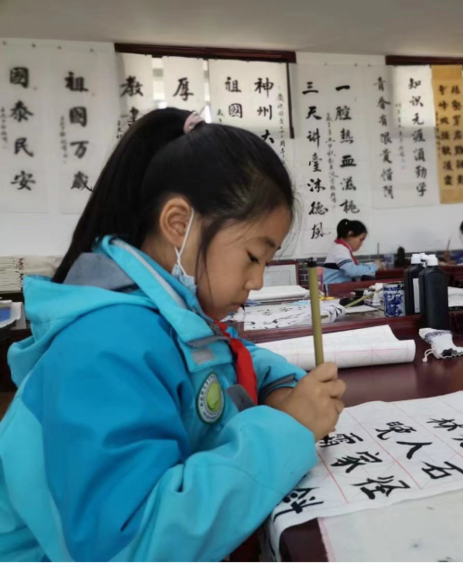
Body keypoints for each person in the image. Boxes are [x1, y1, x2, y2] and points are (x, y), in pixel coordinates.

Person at [0, 109, 346, 561]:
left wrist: (281, 385)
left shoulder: (162, 314)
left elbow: (226, 354)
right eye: (253, 256)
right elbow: (130, 543)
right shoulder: (104, 345)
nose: (258, 281)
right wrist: (288, 430)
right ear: (179, 224)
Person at [322, 219, 381, 287]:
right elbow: (352, 271)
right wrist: (375, 266)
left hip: (338, 288)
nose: (361, 244)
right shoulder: (340, 249)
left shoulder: (342, 248)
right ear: (350, 233)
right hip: (334, 290)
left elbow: (355, 266)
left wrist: (373, 265)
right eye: (361, 239)